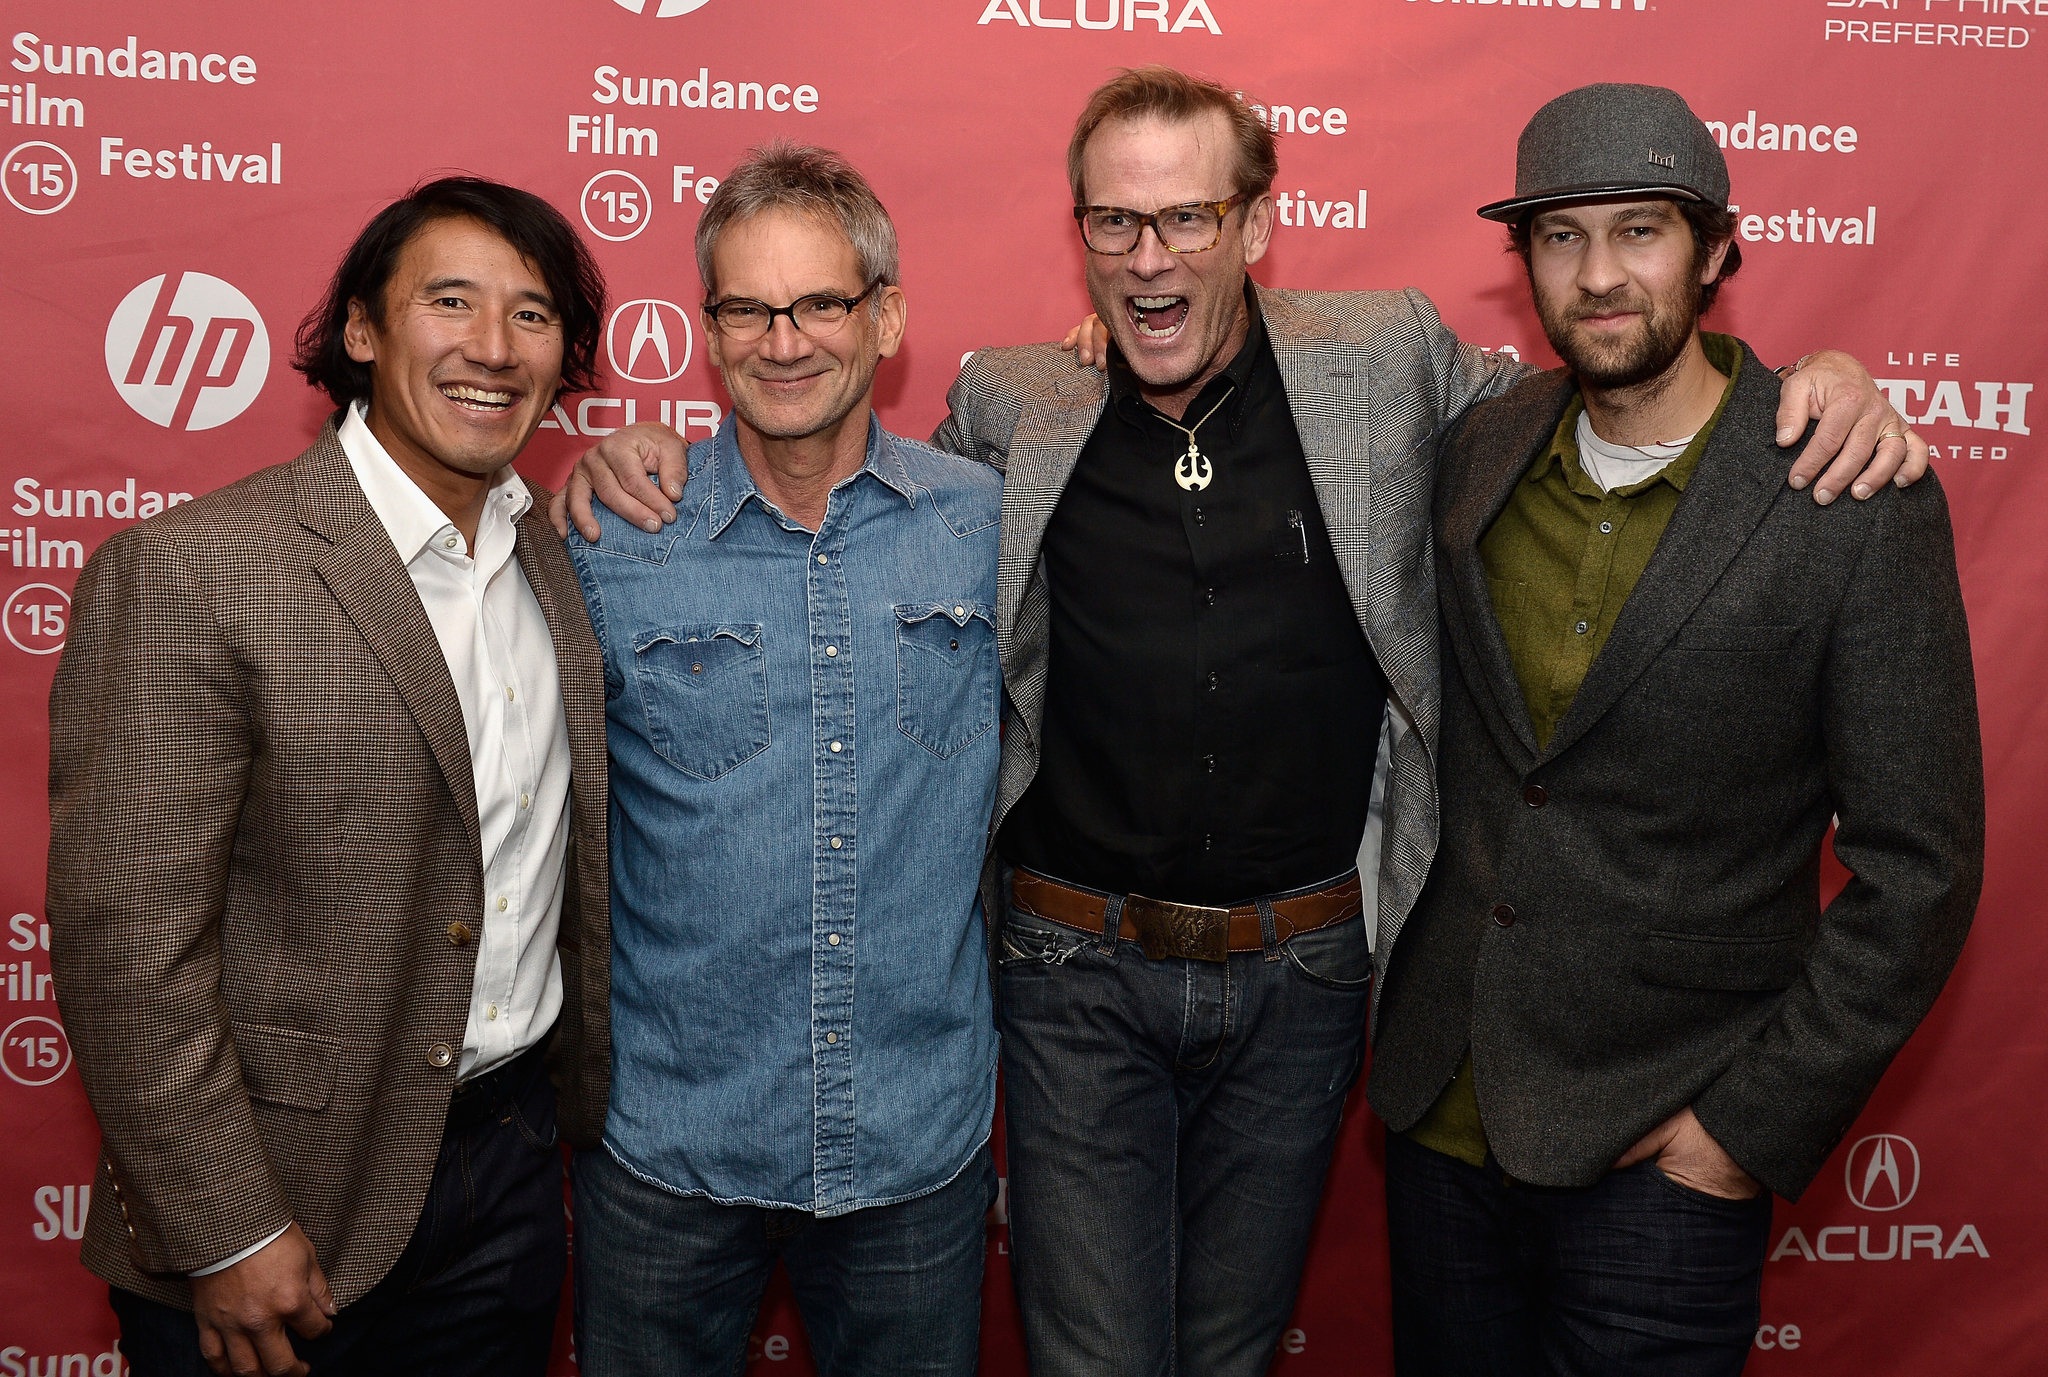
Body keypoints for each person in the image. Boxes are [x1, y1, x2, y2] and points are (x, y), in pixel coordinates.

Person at [554, 68, 1922, 1376]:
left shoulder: (1382, 355)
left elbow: (1605, 387)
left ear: (1257, 226)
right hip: (1073, 969)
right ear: (1081, 234)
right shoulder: (1013, 402)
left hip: (1307, 976)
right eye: (1115, 222)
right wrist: (637, 446)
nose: (1149, 258)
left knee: (1224, 1352)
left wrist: (1819, 380)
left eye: (1186, 218)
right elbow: (821, 489)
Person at [1366, 84, 1984, 1376]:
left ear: (1714, 252)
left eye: (1640, 230)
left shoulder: (1844, 493)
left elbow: (1919, 868)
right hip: (1440, 1123)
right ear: (1522, 261)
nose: (1599, 276)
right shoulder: (1476, 454)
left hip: (1664, 1153)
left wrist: (1743, 1130)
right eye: (1559, 236)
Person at [46, 177, 613, 1377]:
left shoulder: (551, 559)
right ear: (361, 329)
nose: (491, 348)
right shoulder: (196, 571)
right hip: (280, 1198)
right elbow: (122, 938)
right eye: (448, 302)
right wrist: (226, 1224)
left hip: (506, 1174)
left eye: (531, 314)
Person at [563, 143, 1002, 1377]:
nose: (784, 339)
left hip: (914, 1143)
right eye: (746, 308)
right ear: (707, 330)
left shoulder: (986, 524)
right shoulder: (611, 539)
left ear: (887, 317)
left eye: (819, 302)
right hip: (668, 1145)